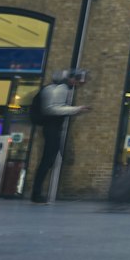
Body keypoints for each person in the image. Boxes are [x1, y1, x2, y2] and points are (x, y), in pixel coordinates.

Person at [30, 69, 88, 203]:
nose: (79, 84)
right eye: (78, 80)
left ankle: (37, 193)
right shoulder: (60, 89)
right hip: (51, 127)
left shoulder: (60, 88)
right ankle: (36, 193)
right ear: (72, 79)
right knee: (47, 160)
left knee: (48, 160)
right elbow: (52, 109)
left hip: (52, 127)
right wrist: (76, 109)